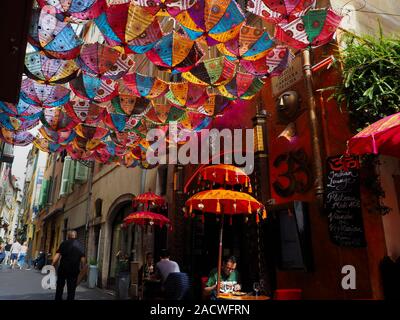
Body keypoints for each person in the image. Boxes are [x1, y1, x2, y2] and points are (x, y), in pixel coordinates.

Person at [52, 230, 87, 300]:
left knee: (59, 288)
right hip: (73, 271)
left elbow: (56, 256)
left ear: (68, 236)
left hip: (62, 269)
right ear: (76, 236)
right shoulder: (80, 246)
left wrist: (52, 266)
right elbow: (83, 262)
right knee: (71, 291)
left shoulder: (63, 243)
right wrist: (82, 273)